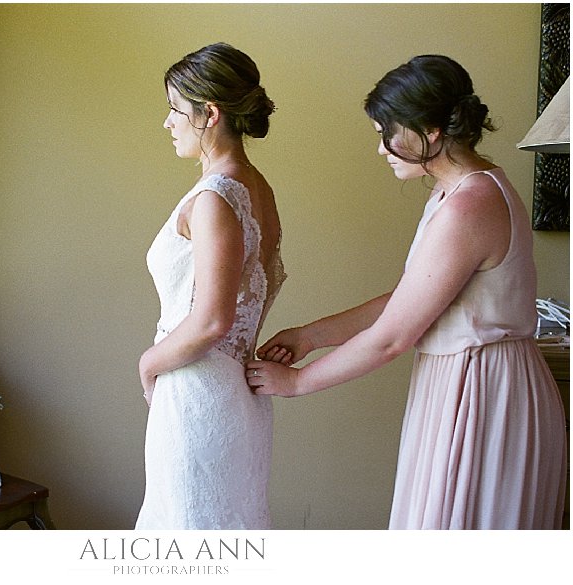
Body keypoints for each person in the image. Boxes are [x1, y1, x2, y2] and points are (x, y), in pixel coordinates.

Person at [246, 55, 567, 529]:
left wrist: (297, 382)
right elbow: (407, 298)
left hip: (483, 391)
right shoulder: (457, 191)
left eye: (387, 133)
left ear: (430, 131)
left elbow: (393, 337)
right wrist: (310, 336)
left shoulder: (469, 206)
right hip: (465, 379)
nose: (381, 149)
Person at [135, 42, 284, 529]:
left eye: (175, 109)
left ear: (210, 113)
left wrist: (148, 365)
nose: (167, 122)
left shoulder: (215, 198)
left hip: (196, 393)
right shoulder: (260, 190)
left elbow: (213, 321)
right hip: (237, 396)